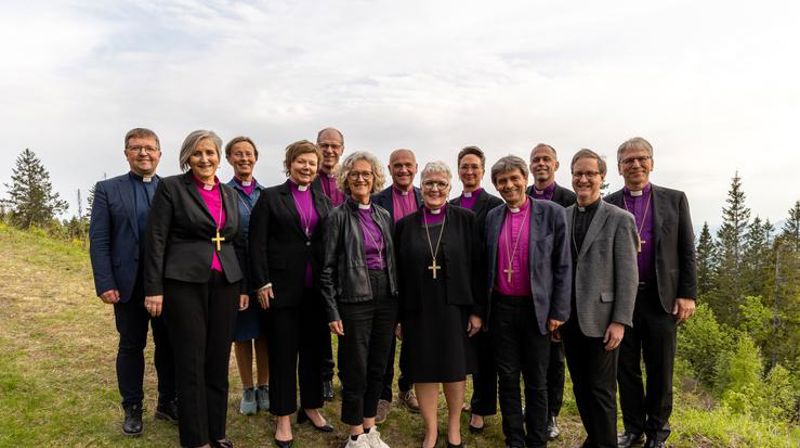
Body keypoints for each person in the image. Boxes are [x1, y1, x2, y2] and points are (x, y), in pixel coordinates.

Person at [144, 130, 249, 448]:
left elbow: (234, 239)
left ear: (219, 158)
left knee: (218, 360)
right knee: (191, 361)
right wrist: (154, 288)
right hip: (184, 284)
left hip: (226, 284)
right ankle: (196, 439)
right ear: (187, 157)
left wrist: (242, 285)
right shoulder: (172, 188)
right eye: (197, 153)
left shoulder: (229, 194)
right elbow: (156, 238)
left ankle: (217, 432)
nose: (205, 159)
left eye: (211, 153)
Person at [606, 137, 697, 448]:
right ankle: (633, 429)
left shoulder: (675, 199)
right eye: (629, 160)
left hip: (661, 298)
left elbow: (687, 249)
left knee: (660, 369)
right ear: (619, 168)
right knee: (625, 368)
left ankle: (657, 433)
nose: (636, 165)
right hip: (622, 302)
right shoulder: (609, 203)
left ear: (652, 163)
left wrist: (688, 294)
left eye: (642, 158)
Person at [89, 127, 177, 437]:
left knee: (169, 346)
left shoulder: (172, 188)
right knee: (131, 346)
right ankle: (133, 407)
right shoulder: (107, 189)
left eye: (149, 148)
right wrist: (105, 282)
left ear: (159, 154)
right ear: (126, 153)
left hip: (168, 285)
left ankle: (167, 402)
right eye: (136, 148)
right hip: (127, 285)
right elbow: (99, 240)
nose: (143, 153)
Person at [249, 140, 334, 448]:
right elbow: (256, 244)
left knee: (313, 352)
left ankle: (310, 407)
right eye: (301, 161)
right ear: (289, 163)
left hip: (316, 292)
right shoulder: (271, 197)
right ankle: (283, 416)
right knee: (284, 354)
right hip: (281, 291)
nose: (307, 167)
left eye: (312, 163)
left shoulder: (323, 201)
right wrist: (261, 282)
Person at [395, 161, 484, 448]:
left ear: (450, 187)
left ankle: (454, 426)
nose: (435, 189)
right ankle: (431, 429)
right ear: (422, 187)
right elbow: (397, 273)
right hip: (417, 309)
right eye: (429, 183)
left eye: (441, 183)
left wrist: (477, 311)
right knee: (424, 369)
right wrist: (398, 317)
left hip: (454, 308)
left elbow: (478, 268)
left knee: (454, 368)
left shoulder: (466, 220)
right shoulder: (405, 226)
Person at [484, 155, 571, 448]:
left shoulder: (553, 213)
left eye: (513, 178)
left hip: (538, 309)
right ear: (496, 186)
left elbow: (563, 265)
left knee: (537, 379)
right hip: (502, 309)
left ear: (525, 178)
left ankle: (536, 439)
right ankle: (514, 438)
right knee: (507, 377)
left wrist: (558, 311)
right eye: (502, 181)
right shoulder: (493, 217)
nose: (509, 185)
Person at [561, 149, 638, 448]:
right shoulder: (563, 216)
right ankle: (595, 437)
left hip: (603, 319)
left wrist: (620, 321)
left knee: (602, 390)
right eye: (578, 173)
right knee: (580, 387)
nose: (583, 179)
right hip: (570, 318)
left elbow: (628, 276)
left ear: (601, 178)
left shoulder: (620, 219)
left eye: (590, 174)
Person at [321, 151, 398, 448]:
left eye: (366, 173)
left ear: (375, 177)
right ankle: (354, 434)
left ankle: (370, 428)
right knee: (356, 366)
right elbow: (326, 268)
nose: (361, 178)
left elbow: (392, 262)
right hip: (354, 297)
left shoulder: (384, 215)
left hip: (385, 297)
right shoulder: (337, 216)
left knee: (379, 364)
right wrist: (332, 310)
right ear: (346, 179)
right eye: (355, 174)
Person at [448, 146, 503, 434]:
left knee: (483, 352)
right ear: (458, 171)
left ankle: (481, 408)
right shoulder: (452, 203)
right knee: (461, 349)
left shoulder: (494, 205)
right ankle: (462, 401)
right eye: (464, 167)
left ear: (482, 170)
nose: (469, 172)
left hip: (483, 285)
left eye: (474, 167)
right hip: (456, 288)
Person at [525, 143, 577, 440]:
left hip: (555, 297)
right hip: (528, 298)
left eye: (546, 159)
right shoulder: (524, 196)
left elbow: (566, 258)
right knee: (529, 361)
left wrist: (561, 307)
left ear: (556, 165)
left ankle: (551, 414)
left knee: (554, 360)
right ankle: (532, 408)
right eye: (536, 160)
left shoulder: (568, 200)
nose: (541, 164)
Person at [372, 148, 422, 420]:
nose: (403, 170)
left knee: (414, 337)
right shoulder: (378, 200)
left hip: (418, 280)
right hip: (388, 278)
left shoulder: (426, 197)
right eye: (398, 166)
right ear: (389, 169)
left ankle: (407, 387)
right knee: (386, 339)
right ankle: (382, 395)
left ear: (416, 167)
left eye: (408, 166)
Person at [225, 136, 269, 415]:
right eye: (238, 154)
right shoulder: (224, 193)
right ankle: (248, 389)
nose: (244, 159)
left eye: (249, 154)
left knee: (264, 333)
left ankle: (264, 386)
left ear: (256, 157)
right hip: (236, 271)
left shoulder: (267, 193)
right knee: (242, 334)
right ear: (229, 159)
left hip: (263, 273)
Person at [313, 126, 346, 402]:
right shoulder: (308, 179)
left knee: (347, 320)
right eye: (324, 145)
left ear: (342, 150)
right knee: (320, 324)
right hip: (318, 261)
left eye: (335, 146)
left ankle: (347, 375)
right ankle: (324, 376)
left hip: (346, 263)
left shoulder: (348, 180)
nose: (330, 150)